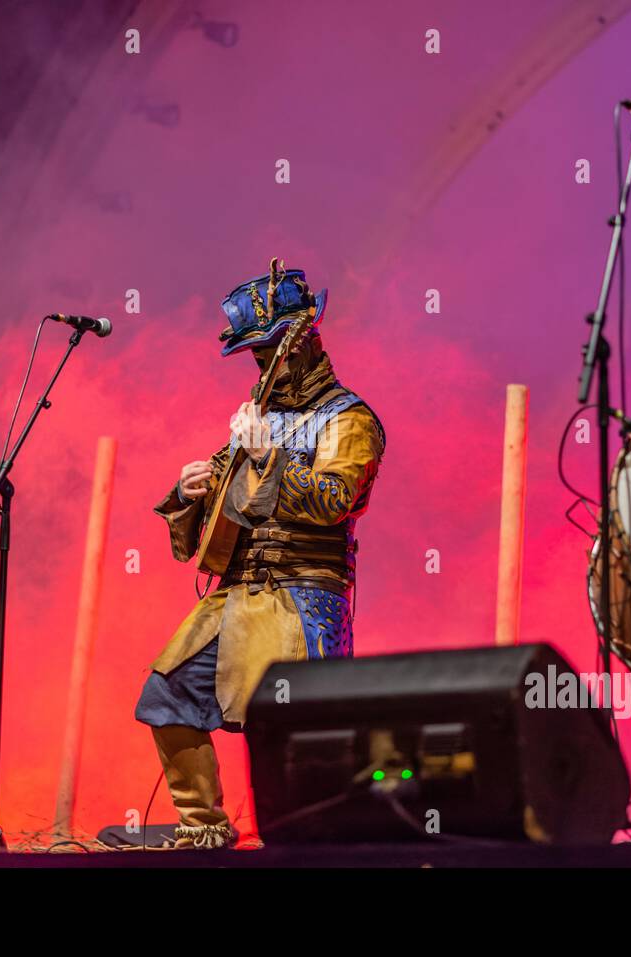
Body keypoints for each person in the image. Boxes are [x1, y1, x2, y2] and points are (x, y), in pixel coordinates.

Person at [135, 259, 385, 848]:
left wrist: (266, 454)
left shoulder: (349, 419)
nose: (262, 363)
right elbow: (219, 514)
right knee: (166, 694)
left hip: (301, 595)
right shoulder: (257, 420)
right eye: (254, 352)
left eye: (269, 348)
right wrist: (189, 492)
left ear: (300, 342)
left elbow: (332, 501)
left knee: (287, 725)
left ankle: (304, 841)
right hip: (237, 595)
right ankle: (204, 829)